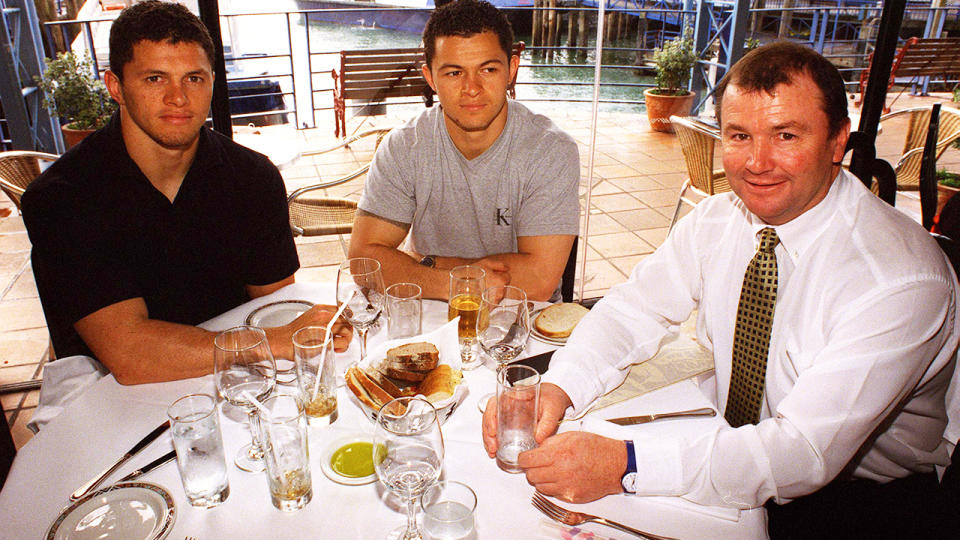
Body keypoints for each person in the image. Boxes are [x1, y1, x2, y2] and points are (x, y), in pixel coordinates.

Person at [482, 41, 959, 537]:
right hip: (728, 437)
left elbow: (804, 454)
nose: (757, 162)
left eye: (786, 135)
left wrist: (625, 463)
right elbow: (633, 311)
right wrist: (560, 387)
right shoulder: (718, 218)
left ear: (838, 141)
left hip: (862, 498)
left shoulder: (898, 280)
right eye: (739, 135)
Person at [21, 1, 350, 386]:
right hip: (106, 394)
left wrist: (288, 334)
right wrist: (273, 340)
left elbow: (274, 306)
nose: (178, 97)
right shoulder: (63, 198)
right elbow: (130, 356)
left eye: (193, 78)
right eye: (154, 78)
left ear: (213, 81)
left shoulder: (253, 178)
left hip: (238, 379)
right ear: (116, 87)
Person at [348, 0, 580, 302]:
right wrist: (455, 283)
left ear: (511, 70)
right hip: (433, 308)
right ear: (430, 78)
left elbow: (538, 281)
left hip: (524, 318)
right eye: (454, 73)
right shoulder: (404, 146)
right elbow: (363, 261)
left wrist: (427, 263)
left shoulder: (550, 151)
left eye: (487, 69)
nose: (472, 88)